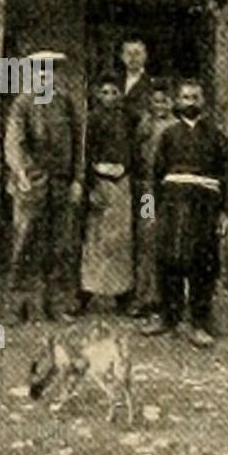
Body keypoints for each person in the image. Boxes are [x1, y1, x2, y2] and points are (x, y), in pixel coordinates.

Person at [143, 79, 228, 347]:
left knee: (203, 261)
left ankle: (199, 321)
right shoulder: (168, 135)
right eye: (185, 97)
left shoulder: (216, 136)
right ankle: (169, 316)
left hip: (204, 206)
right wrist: (150, 211)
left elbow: (226, 177)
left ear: (202, 102)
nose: (190, 102)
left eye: (195, 97)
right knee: (169, 259)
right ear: (177, 101)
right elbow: (155, 174)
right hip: (172, 203)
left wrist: (226, 213)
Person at [3, 50, 84, 322]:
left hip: (60, 183)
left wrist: (76, 180)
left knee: (60, 245)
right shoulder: (23, 104)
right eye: (39, 71)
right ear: (31, 74)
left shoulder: (66, 103)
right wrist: (21, 173)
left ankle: (55, 304)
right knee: (25, 244)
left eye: (49, 72)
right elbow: (14, 142)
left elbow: (77, 144)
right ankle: (18, 305)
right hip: (31, 183)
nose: (44, 77)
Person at [79, 74, 134, 313]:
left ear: (120, 95)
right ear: (97, 95)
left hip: (122, 183)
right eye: (105, 92)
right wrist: (90, 184)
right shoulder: (91, 120)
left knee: (120, 239)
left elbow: (135, 150)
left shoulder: (129, 119)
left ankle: (122, 294)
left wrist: (125, 168)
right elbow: (86, 153)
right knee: (96, 240)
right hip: (100, 182)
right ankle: (87, 292)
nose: (110, 97)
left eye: (114, 92)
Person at [132, 81, 175, 319]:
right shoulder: (145, 126)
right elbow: (136, 154)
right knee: (146, 238)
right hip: (148, 190)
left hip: (169, 191)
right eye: (156, 101)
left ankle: (164, 296)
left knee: (167, 239)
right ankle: (143, 296)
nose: (161, 105)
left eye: (165, 101)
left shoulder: (177, 127)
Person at [118, 37, 152, 133]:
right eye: (128, 53)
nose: (132, 58)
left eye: (137, 53)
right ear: (122, 57)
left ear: (145, 56)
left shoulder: (152, 84)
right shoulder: (115, 82)